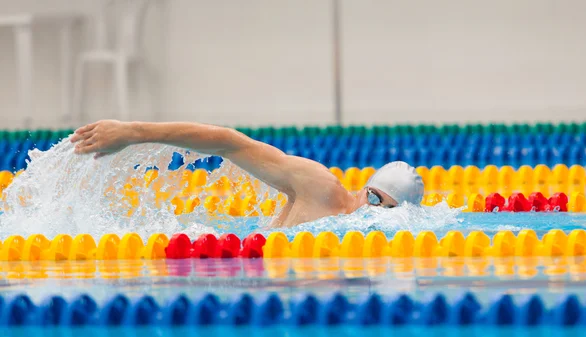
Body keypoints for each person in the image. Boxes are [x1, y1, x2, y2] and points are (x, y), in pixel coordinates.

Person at [71, 120, 424, 227]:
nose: (374, 212)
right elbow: (230, 142)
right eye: (375, 199)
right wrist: (135, 133)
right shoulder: (323, 189)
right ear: (366, 189)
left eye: (389, 210)